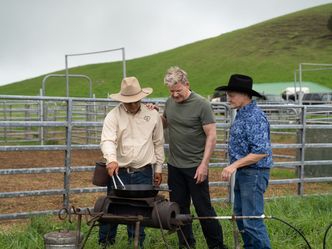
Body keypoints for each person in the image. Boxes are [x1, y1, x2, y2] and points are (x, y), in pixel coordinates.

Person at [161, 66, 226, 249]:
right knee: (179, 208)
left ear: (187, 84)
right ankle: (186, 245)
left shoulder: (201, 104)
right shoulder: (169, 102)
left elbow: (212, 135)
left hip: (195, 166)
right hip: (174, 165)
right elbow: (165, 122)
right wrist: (153, 113)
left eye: (178, 91)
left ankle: (216, 246)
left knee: (203, 208)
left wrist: (204, 164)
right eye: (171, 91)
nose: (175, 95)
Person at [99, 76, 165, 248]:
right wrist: (111, 160)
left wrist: (158, 168)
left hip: (144, 171)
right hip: (119, 171)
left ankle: (136, 244)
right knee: (111, 208)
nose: (133, 104)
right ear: (122, 100)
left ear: (141, 98)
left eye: (136, 101)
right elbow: (107, 140)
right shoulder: (113, 116)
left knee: (139, 212)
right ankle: (105, 243)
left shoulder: (152, 114)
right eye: (129, 102)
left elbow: (158, 142)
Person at [217, 74, 273, 249]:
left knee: (252, 221)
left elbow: (261, 151)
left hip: (254, 173)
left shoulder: (254, 117)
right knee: (241, 217)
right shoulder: (242, 114)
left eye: (232, 95)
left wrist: (233, 165)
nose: (228, 98)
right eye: (228, 94)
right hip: (246, 173)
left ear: (245, 95)